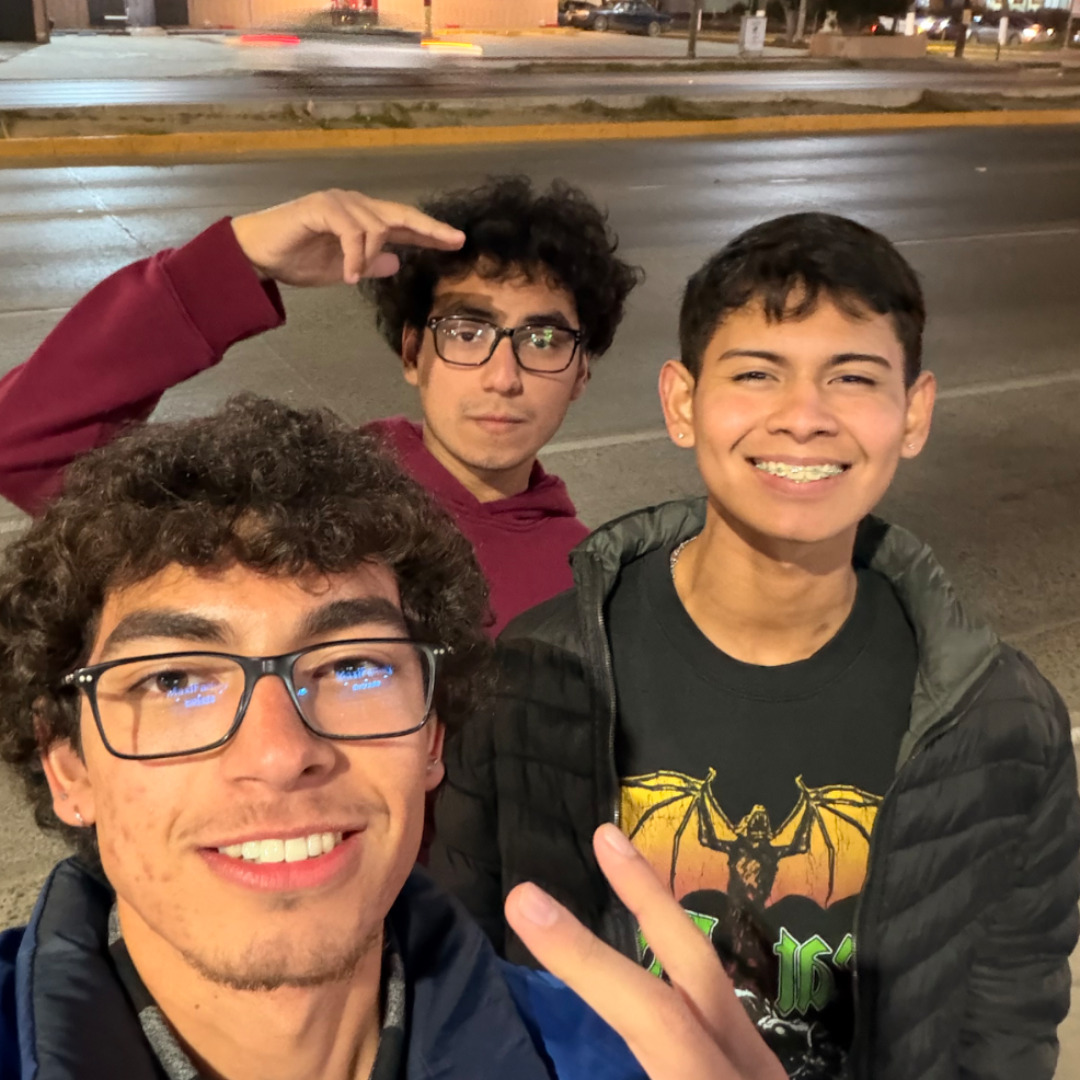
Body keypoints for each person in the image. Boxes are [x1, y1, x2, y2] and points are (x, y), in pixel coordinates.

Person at [430, 213, 1080, 1079]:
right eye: (756, 374)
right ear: (682, 403)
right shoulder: (538, 674)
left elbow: (1007, 1023)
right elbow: (461, 970)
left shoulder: (999, 723)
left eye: (853, 378)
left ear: (914, 413)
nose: (803, 418)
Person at [0, 395, 785, 1080]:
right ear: (66, 764)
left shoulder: (628, 1061)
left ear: (433, 735)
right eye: (174, 681)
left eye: (353, 667)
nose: (279, 754)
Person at [0, 178, 641, 634]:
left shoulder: (596, 583)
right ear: (413, 353)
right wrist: (235, 260)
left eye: (543, 341)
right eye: (467, 333)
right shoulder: (300, 494)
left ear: (581, 373)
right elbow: (24, 445)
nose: (504, 377)